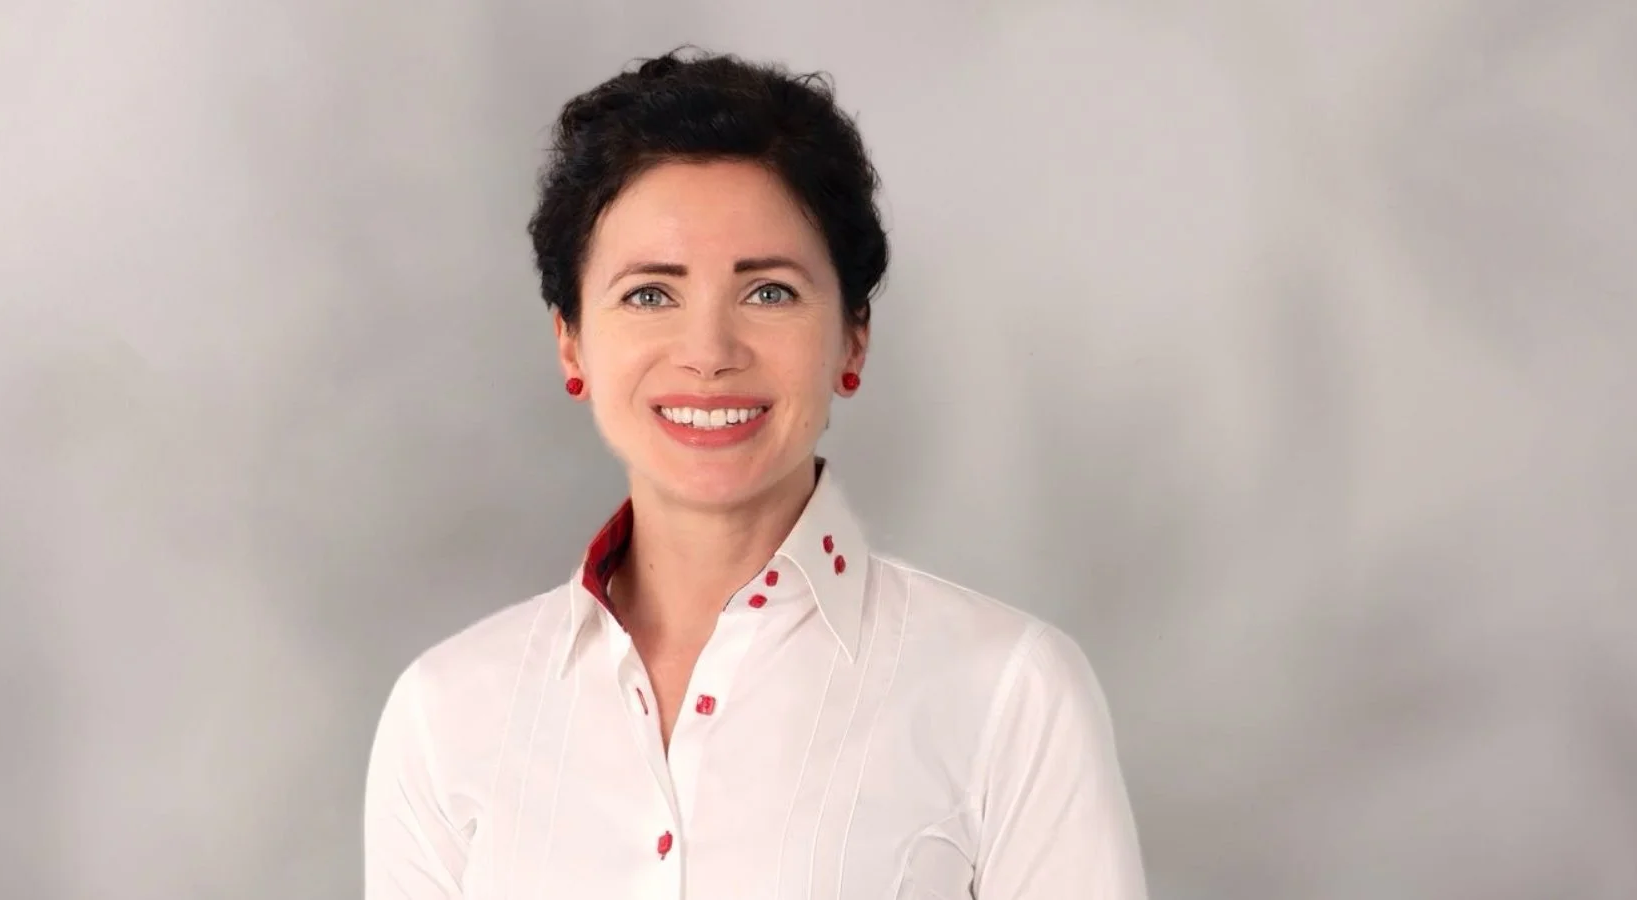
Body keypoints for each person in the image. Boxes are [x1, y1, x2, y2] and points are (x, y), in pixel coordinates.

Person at [363, 48, 1148, 899]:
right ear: (571, 342)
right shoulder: (446, 714)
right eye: (650, 295)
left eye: (768, 292)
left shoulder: (1008, 692)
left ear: (853, 337)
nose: (708, 354)